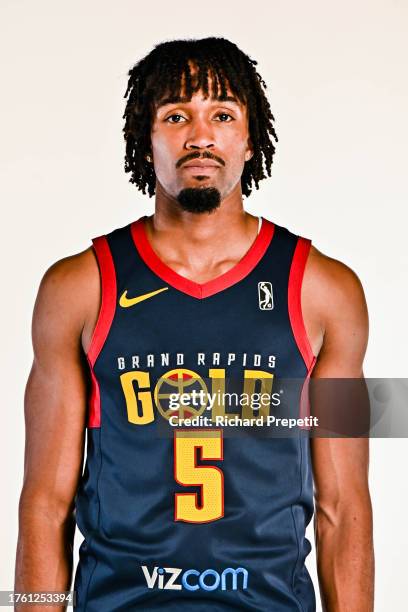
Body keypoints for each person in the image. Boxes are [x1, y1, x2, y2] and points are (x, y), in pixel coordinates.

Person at [15, 37, 374, 611]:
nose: (200, 135)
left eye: (222, 115)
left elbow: (344, 506)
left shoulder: (326, 291)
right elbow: (44, 504)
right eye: (176, 115)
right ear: (146, 138)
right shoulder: (79, 288)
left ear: (249, 140)